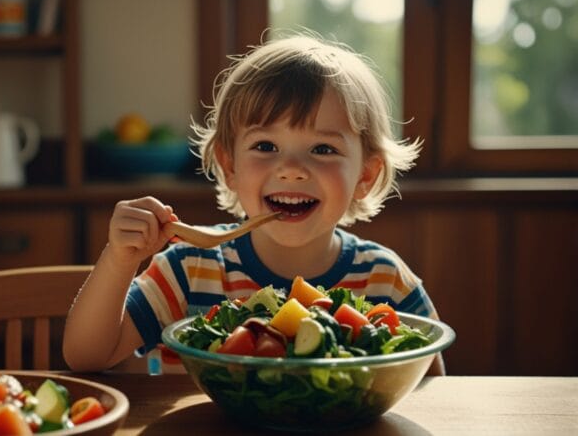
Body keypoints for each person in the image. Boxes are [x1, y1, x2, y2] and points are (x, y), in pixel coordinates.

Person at [63, 32, 445, 375]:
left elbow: (430, 389)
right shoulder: (190, 269)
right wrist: (120, 259)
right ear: (229, 166)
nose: (292, 170)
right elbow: (86, 357)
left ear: (365, 175)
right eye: (266, 146)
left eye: (323, 149)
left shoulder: (385, 280)